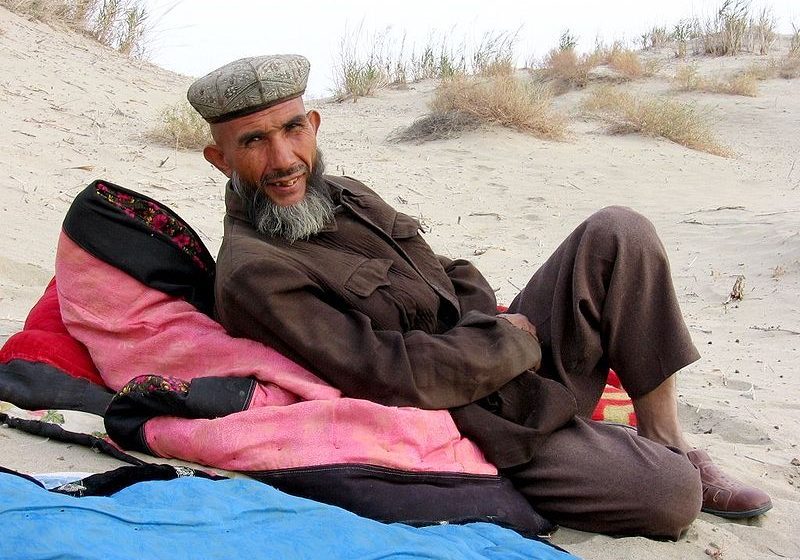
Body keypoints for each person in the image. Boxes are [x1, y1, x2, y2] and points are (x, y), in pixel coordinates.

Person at [187, 54, 772, 538]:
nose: (283, 159)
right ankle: (635, 461)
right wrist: (506, 346)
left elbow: (449, 270)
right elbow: (385, 374)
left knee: (620, 232)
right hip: (469, 420)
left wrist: (495, 328)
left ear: (313, 125)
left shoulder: (344, 194)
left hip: (494, 354)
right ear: (220, 159)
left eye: (292, 130)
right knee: (671, 497)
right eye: (254, 141)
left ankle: (664, 439)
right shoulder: (255, 273)